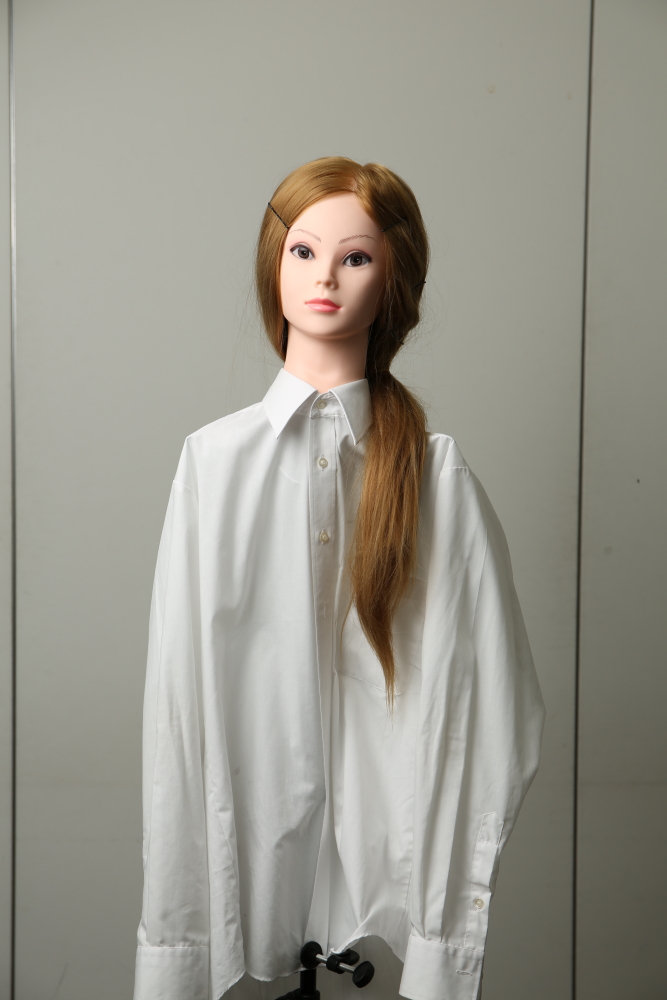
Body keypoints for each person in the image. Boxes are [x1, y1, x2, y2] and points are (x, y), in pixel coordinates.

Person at [133, 156, 546, 1000]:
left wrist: (439, 940)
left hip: (391, 885)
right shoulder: (211, 466)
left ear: (391, 282)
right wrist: (178, 948)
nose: (324, 276)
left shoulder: (434, 478)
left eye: (354, 257)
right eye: (303, 251)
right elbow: (176, 707)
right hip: (246, 879)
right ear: (273, 263)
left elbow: (496, 708)